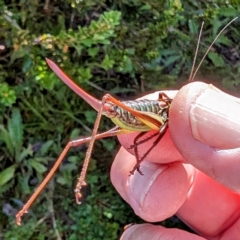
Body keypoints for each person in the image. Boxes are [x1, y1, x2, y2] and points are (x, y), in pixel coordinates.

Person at [111, 82, 240, 240]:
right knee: (144, 139)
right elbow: (154, 136)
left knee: (143, 141)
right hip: (140, 114)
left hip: (148, 118)